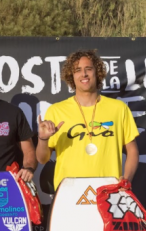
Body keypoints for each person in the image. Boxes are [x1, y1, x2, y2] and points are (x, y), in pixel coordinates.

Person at [36, 49, 139, 188]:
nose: (83, 74)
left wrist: (126, 180)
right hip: (69, 191)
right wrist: (43, 138)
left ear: (97, 72)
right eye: (77, 70)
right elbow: (42, 159)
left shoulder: (119, 108)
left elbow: (132, 151)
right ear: (71, 76)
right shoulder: (56, 111)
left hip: (108, 190)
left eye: (88, 69)